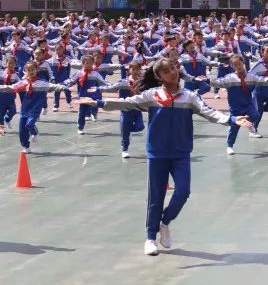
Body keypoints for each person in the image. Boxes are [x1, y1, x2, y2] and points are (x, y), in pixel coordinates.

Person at [90, 58, 252, 255]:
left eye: (174, 68)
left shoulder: (189, 97)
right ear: (159, 76)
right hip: (157, 153)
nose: (173, 73)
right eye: (167, 71)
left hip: (180, 153)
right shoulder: (153, 95)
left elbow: (209, 112)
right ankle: (150, 238)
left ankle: (165, 222)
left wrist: (233, 120)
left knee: (183, 191)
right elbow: (127, 103)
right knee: (155, 197)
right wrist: (100, 102)